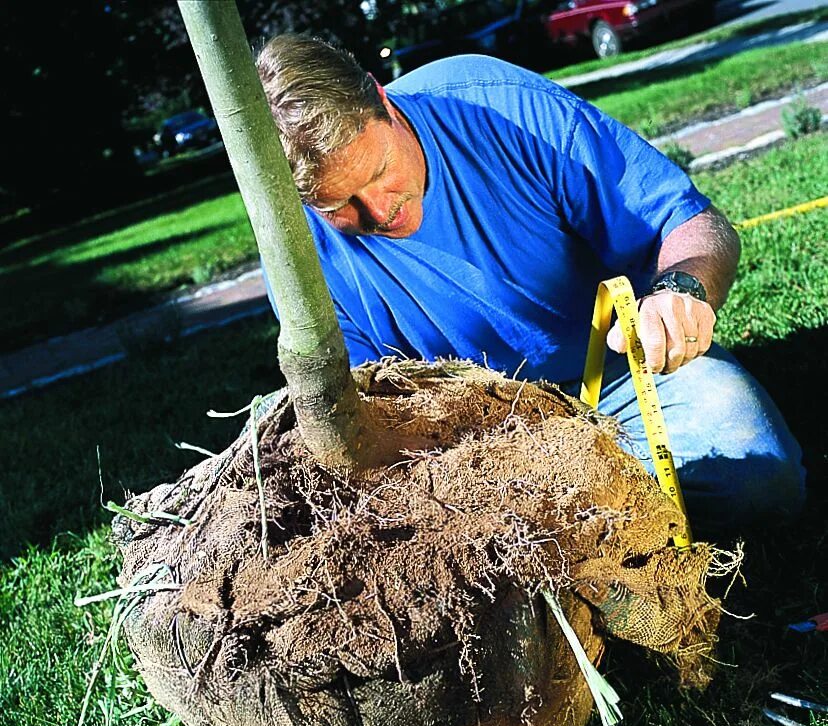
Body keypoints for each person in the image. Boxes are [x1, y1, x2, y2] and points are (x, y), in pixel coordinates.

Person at [255, 33, 805, 537]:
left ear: (384, 101)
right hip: (477, 450)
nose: (378, 213)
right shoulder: (297, 261)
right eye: (339, 205)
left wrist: (681, 292)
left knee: (761, 477)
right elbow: (365, 426)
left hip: (624, 378)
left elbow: (690, 226)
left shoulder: (495, 105)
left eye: (377, 172)